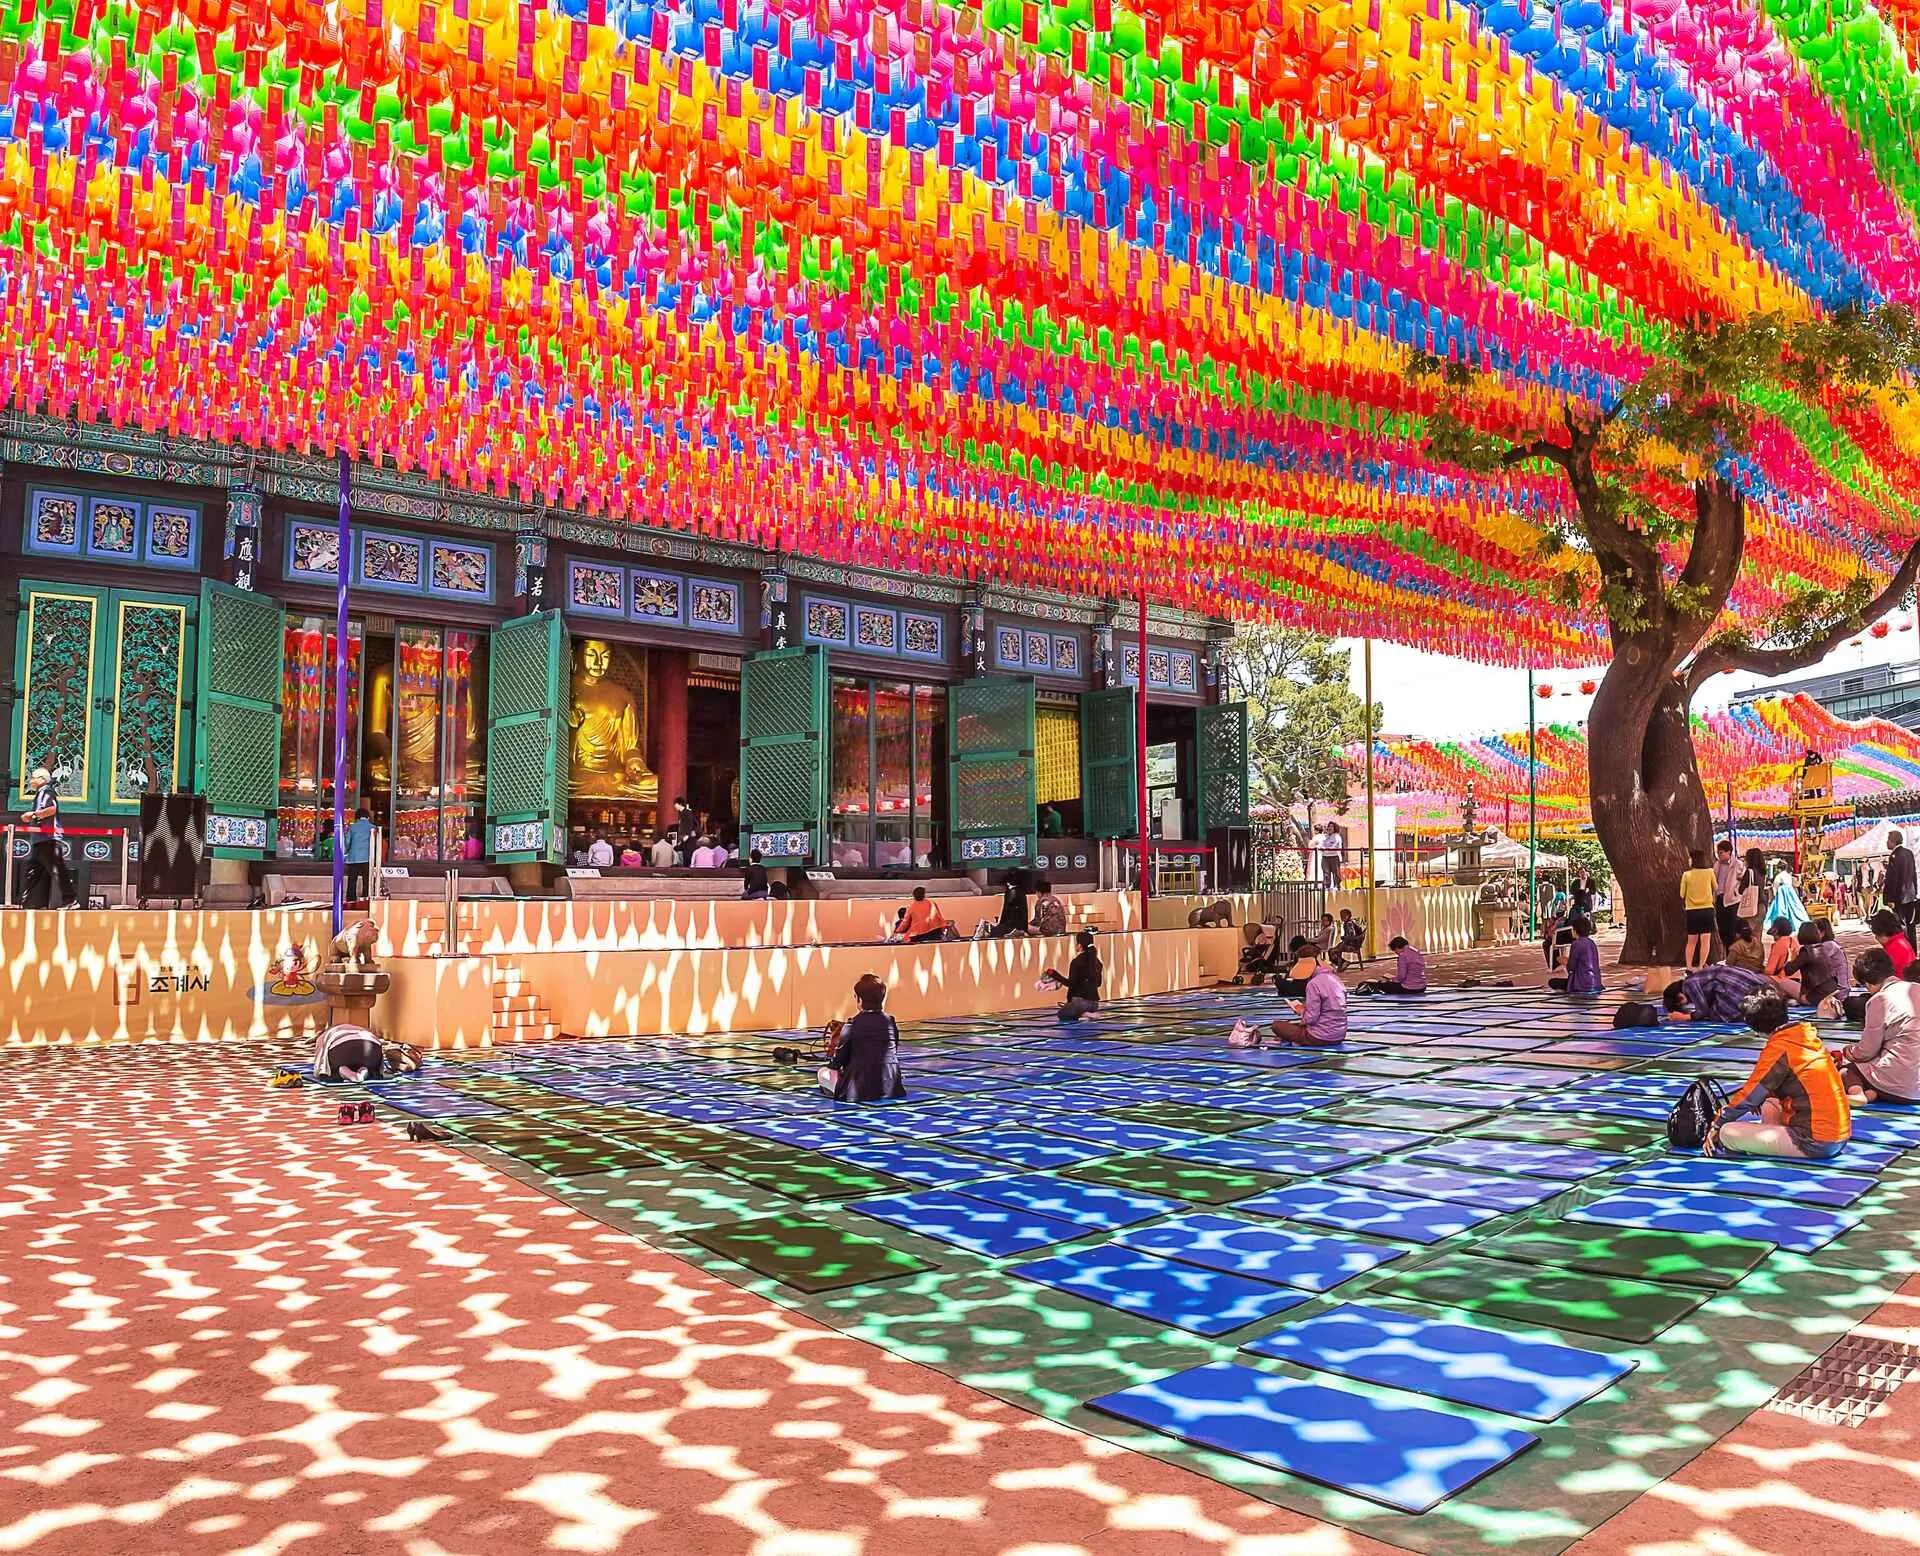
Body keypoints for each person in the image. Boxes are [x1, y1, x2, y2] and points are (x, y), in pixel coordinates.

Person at [1708, 988, 1851, 1161]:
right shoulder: (1804, 1034)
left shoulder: (1779, 1048)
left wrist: (1718, 1124)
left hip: (1816, 1141)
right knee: (1770, 1103)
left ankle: (1758, 1142)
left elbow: (1750, 1096)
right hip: (1838, 1135)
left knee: (1727, 1132)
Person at [1838, 948, 1920, 1104]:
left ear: (1868, 984)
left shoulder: (1879, 1000)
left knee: (1847, 1070)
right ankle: (1871, 1093)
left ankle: (1857, 1093)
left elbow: (1867, 1051)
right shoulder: (1916, 988)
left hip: (1902, 1084)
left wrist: (1849, 1052)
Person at [817, 973, 908, 1101]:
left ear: (859, 999)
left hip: (858, 1090)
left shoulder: (852, 1025)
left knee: (822, 1073)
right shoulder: (891, 1022)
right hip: (891, 1087)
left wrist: (833, 1060)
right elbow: (893, 1051)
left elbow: (838, 1062)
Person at [13, 766, 76, 909]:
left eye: (34, 778)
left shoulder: (47, 792)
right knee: (33, 872)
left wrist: (33, 815)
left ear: (42, 779)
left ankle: (70, 900)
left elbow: (51, 809)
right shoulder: (40, 793)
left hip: (48, 838)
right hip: (40, 838)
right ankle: (20, 901)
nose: (32, 780)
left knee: (57, 870)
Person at [1263, 957, 1348, 1048]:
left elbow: (1311, 1018)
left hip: (1320, 1037)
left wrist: (1301, 1011)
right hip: (1339, 1035)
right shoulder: (1336, 979)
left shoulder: (1313, 984)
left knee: (1277, 1026)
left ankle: (1301, 1040)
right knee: (1293, 1026)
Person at [1661, 961, 1774, 1022]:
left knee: (1715, 1015)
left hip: (1732, 986)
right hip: (1745, 981)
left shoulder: (1688, 985)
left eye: (1682, 1003)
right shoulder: (1694, 978)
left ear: (1679, 996)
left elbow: (1702, 1010)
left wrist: (1684, 1017)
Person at [1039, 930, 1103, 1021]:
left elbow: (1071, 983)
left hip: (1080, 1003)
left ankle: (1083, 1014)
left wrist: (1054, 974)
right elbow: (1098, 983)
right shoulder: (1097, 963)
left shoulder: (1077, 962)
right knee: (1069, 1009)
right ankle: (1086, 1013)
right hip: (1094, 1004)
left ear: (1079, 945)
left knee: (1062, 1014)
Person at [1680, 848, 1717, 969]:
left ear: (1693, 860)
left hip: (1692, 911)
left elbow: (1682, 894)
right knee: (1705, 940)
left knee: (1691, 941)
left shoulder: (1687, 875)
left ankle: (1689, 967)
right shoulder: (1710, 872)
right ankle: (1701, 966)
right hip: (1707, 910)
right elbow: (1716, 887)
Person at [1549, 914, 1602, 994]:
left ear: (1575, 930)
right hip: (1596, 983)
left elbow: (1571, 967)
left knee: (1552, 982)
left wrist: (1564, 961)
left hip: (1581, 985)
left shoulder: (1576, 944)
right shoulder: (1592, 943)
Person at [1356, 936, 1426, 995]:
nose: (1396, 953)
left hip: (1408, 988)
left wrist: (1392, 979)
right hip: (1422, 987)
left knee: (1377, 984)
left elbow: (1402, 977)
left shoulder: (1402, 956)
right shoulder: (1416, 951)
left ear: (1397, 948)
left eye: (1395, 951)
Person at [1887, 829, 1919, 945]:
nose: (1887, 842)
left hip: (1899, 897)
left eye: (1888, 840)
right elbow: (1913, 874)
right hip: (1910, 895)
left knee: (1901, 926)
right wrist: (1915, 892)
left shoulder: (1894, 856)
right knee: (1911, 925)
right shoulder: (1909, 853)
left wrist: (1890, 899)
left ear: (1893, 841)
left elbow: (1893, 879)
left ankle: (1906, 952)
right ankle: (1913, 951)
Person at [1713, 839, 1744, 951]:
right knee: (1722, 928)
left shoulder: (1737, 864)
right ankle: (1727, 952)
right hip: (1720, 898)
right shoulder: (1717, 865)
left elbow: (1743, 880)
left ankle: (1732, 954)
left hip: (1732, 900)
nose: (1719, 855)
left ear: (1729, 852)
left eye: (1721, 852)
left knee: (1732, 928)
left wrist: (1737, 891)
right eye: (1718, 853)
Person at [1870, 908, 1915, 978]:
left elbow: (1878, 975)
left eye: (1877, 935)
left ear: (1883, 933)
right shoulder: (1900, 940)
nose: (1876, 938)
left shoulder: (1894, 948)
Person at [341, 805, 373, 899]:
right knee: (367, 880)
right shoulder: (373, 827)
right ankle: (366, 897)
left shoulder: (353, 827)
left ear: (357, 817)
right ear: (368, 817)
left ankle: (351, 899)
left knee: (352, 880)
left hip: (353, 857)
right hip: (368, 858)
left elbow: (347, 842)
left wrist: (346, 852)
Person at [1740, 847, 1767, 941]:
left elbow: (1741, 890)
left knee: (1747, 935)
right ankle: (1758, 954)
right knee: (1758, 936)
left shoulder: (1749, 872)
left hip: (1751, 906)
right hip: (1762, 905)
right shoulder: (1762, 873)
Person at [993, 870, 1031, 938]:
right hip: (1021, 926)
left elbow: (1006, 910)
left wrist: (1000, 924)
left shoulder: (1011, 893)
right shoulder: (1021, 893)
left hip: (1011, 926)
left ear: (1007, 883)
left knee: (993, 931)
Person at [1312, 820, 1343, 889]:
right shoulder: (1325, 837)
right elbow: (1320, 845)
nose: (1329, 828)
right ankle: (1327, 886)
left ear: (1335, 828)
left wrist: (1325, 848)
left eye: (1331, 827)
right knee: (1326, 873)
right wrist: (1321, 848)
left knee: (1336, 873)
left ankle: (1337, 886)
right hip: (1325, 857)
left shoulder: (1337, 837)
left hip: (1334, 857)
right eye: (1329, 826)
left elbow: (1334, 846)